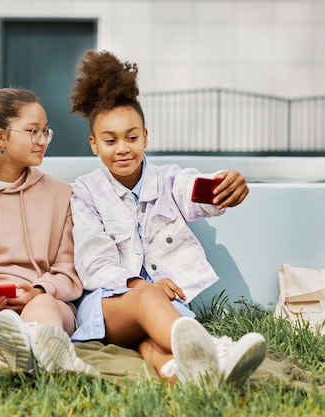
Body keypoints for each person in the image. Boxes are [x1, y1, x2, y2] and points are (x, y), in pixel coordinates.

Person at [68, 50, 267, 385]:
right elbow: (93, 265)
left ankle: (184, 375)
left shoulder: (169, 179)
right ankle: (213, 350)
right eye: (110, 140)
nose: (123, 148)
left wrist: (224, 185)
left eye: (132, 137)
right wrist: (142, 286)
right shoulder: (86, 192)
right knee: (149, 296)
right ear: (93, 144)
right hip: (109, 307)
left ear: (146, 136)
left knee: (152, 343)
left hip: (164, 312)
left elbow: (195, 189)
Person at [0, 88, 96, 375]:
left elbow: (68, 271)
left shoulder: (61, 194)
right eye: (33, 131)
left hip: (43, 300)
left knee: (44, 309)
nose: (42, 141)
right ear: (0, 137)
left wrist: (36, 290)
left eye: (46, 131)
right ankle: (29, 357)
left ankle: (41, 357)